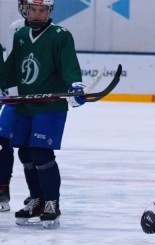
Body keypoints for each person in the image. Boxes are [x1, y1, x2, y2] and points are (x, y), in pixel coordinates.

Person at [1, 0, 86, 228]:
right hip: (24, 105)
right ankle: (36, 200)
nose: (38, 14)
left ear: (49, 12)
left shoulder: (60, 35)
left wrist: (75, 84)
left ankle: (51, 203)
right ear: (26, 11)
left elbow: (69, 64)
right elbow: (11, 69)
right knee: (26, 154)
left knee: (41, 153)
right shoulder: (20, 35)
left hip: (49, 106)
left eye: (43, 10)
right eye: (34, 10)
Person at [0, 0, 27, 212]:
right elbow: (9, 61)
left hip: (34, 101)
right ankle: (2, 190)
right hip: (13, 98)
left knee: (31, 149)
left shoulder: (54, 32)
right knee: (3, 143)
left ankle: (39, 195)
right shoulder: (15, 27)